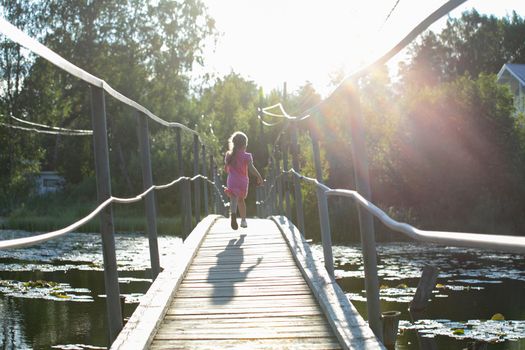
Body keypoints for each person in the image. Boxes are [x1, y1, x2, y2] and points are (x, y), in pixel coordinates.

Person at [224, 131, 263, 230]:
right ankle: (243, 220)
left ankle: (233, 215)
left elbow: (226, 169)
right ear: (245, 144)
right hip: (242, 181)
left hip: (232, 180)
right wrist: (259, 176)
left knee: (233, 198)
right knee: (241, 200)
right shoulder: (247, 156)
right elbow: (251, 168)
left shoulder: (229, 155)